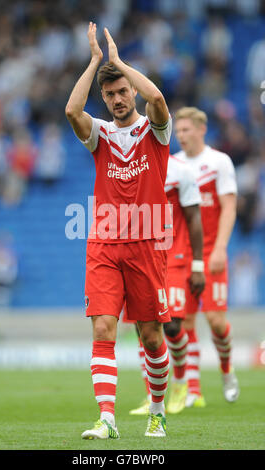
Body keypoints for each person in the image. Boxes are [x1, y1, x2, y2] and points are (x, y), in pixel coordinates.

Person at [65, 23, 173, 439]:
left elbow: (159, 98)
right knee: (103, 328)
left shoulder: (155, 130)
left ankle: (158, 411)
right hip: (105, 243)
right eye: (109, 94)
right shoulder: (101, 135)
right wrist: (95, 62)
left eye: (122, 91)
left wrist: (120, 63)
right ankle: (106, 418)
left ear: (132, 90)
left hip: (147, 244)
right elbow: (73, 112)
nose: (116, 99)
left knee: (150, 336)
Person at [128, 155, 205, 416]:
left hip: (174, 256)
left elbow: (194, 217)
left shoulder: (180, 170)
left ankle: (182, 383)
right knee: (142, 329)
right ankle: (151, 395)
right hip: (142, 257)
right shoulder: (131, 165)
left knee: (172, 326)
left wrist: (197, 265)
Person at [173, 107, 239, 407]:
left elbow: (228, 207)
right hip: (183, 254)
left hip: (211, 251)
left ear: (201, 129)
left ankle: (227, 371)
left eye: (186, 130)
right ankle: (193, 389)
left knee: (214, 320)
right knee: (184, 322)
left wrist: (221, 248)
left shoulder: (218, 162)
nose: (181, 136)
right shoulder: (172, 163)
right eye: (178, 131)